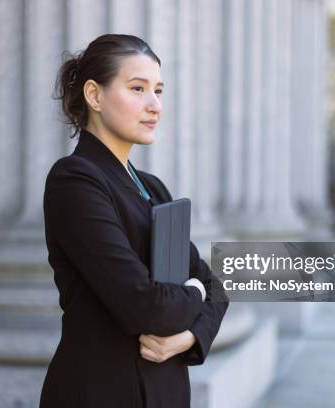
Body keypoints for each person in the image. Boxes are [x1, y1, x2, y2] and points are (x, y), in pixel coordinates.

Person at [40, 34, 229, 408]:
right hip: (101, 391)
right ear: (94, 96)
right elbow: (144, 305)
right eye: (138, 88)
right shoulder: (75, 181)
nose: (155, 105)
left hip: (165, 390)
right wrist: (196, 292)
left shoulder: (153, 188)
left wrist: (187, 338)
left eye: (158, 90)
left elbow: (218, 289)